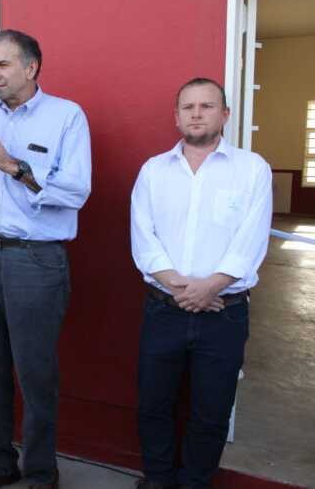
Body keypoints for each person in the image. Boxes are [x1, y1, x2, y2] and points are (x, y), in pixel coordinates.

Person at [0, 29, 91, 489]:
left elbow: (75, 192)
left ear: (31, 67)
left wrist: (11, 163)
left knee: (35, 372)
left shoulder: (66, 116)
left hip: (35, 260)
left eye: (3, 64)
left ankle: (42, 473)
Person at [130, 78, 272, 489]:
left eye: (206, 106)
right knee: (154, 404)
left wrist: (210, 287)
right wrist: (183, 288)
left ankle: (194, 483)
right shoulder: (154, 171)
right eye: (187, 107)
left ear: (224, 114)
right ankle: (158, 480)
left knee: (211, 412)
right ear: (176, 117)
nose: (196, 114)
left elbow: (250, 239)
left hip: (224, 313)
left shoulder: (252, 169)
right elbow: (143, 237)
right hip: (163, 310)